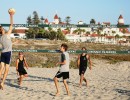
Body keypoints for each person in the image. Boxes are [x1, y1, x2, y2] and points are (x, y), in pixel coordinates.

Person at [0, 11, 14, 90]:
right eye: (2, 29)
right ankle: (2, 82)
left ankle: (0, 81)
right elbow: (11, 25)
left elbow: (9, 44)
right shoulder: (7, 34)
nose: (4, 29)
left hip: (3, 53)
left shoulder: (0, 38)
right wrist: (11, 16)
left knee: (1, 68)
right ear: (2, 31)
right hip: (8, 53)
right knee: (6, 69)